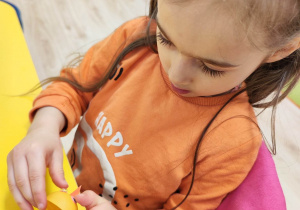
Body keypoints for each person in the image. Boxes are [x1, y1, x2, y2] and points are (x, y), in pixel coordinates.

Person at [7, 0, 300, 209]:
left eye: (211, 67)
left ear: (281, 50)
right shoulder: (135, 37)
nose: (175, 73)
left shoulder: (231, 141)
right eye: (166, 38)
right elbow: (74, 86)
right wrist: (44, 126)